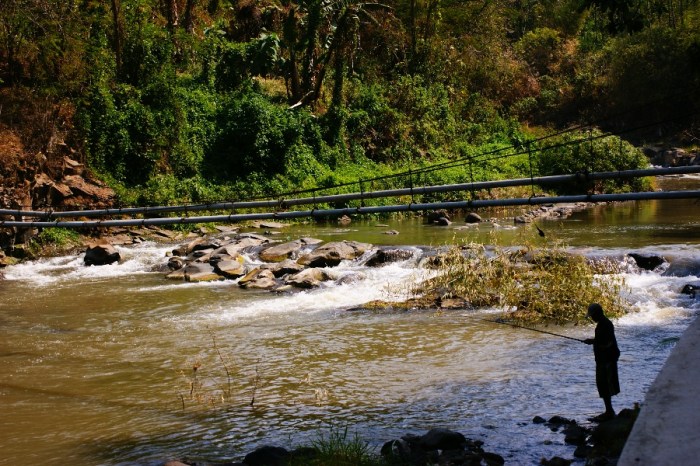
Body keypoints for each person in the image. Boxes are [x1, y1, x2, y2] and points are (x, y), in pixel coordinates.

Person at [583, 303, 620, 421]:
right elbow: (602, 340)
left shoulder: (606, 324)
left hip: (607, 359)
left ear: (598, 313)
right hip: (603, 359)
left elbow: (607, 343)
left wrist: (594, 342)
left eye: (592, 316)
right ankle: (609, 410)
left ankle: (609, 412)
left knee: (606, 384)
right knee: (603, 384)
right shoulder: (601, 324)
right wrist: (593, 341)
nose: (592, 318)